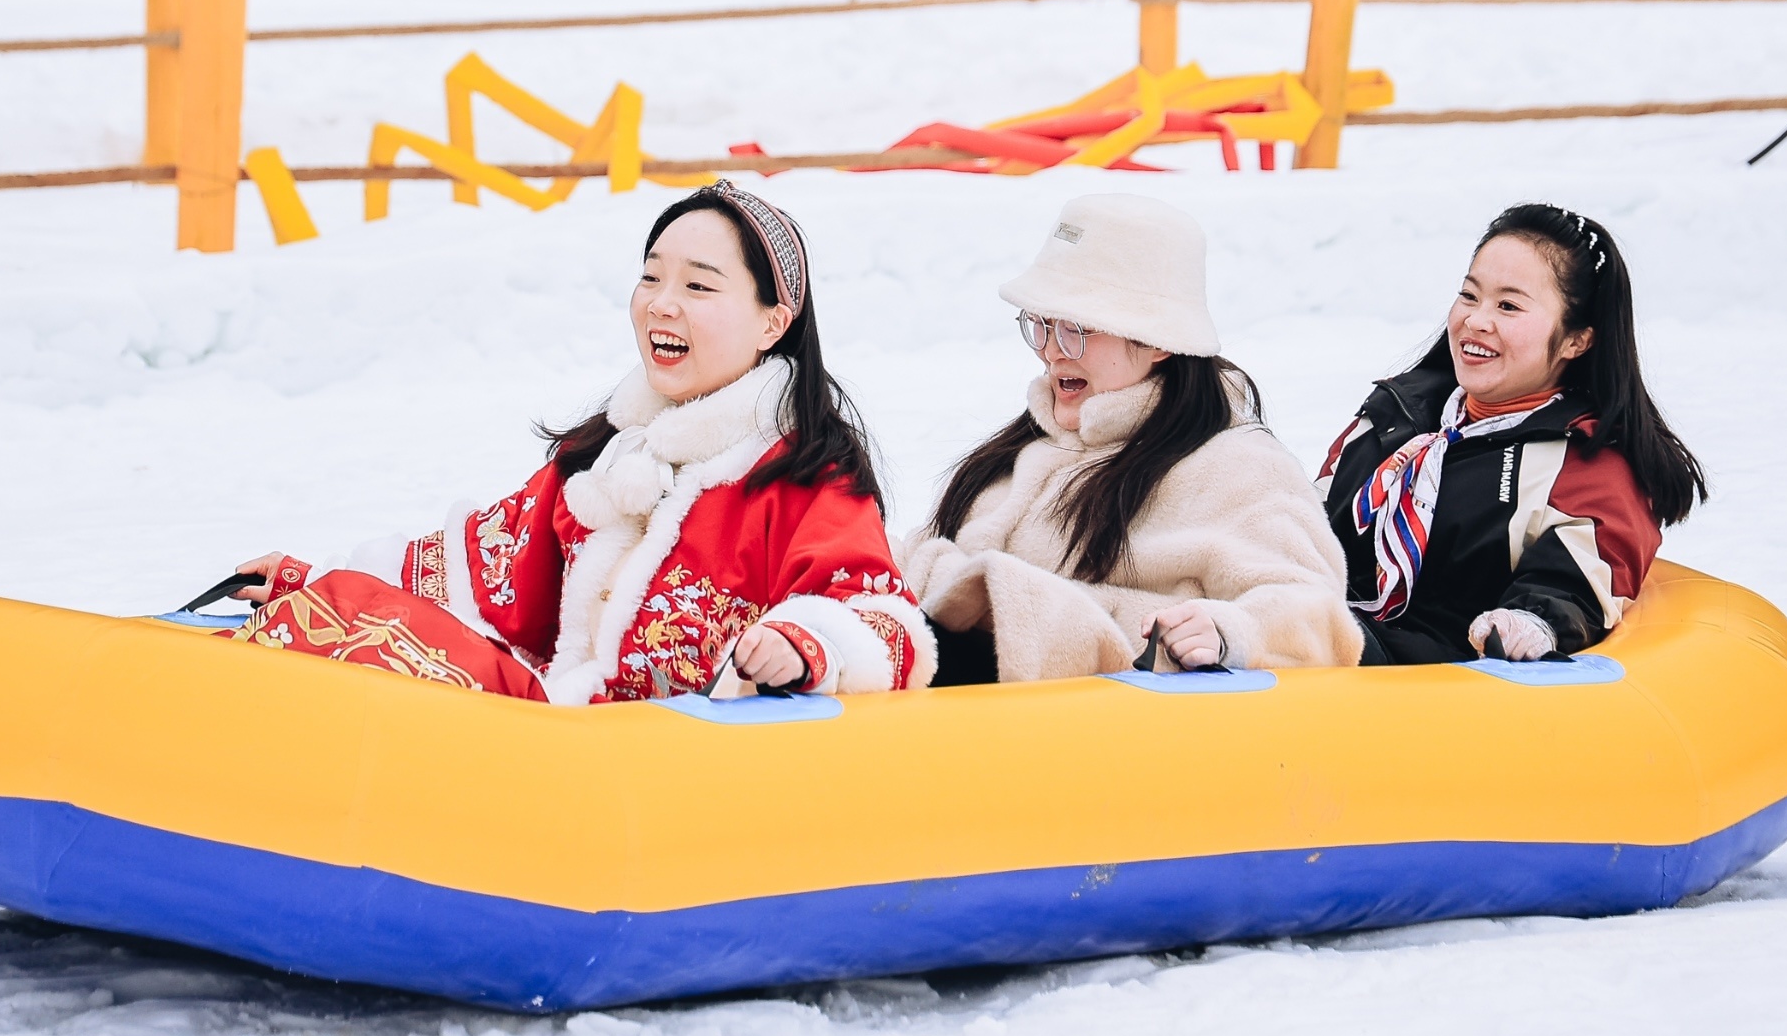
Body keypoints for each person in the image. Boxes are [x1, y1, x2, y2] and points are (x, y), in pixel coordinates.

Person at [185, 182, 936, 703]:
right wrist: (311, 582)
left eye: (699, 287)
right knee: (350, 612)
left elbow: (883, 621)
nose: (661, 304)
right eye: (650, 277)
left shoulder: (807, 477)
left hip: (675, 769)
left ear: (774, 322)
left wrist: (806, 645)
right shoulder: (611, 455)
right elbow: (481, 565)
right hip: (562, 736)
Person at [900, 189, 1358, 684]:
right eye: (1041, 324)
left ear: (1158, 342)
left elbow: (1316, 613)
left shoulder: (1240, 468)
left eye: (1076, 328)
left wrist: (1229, 631)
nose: (1052, 351)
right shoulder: (1029, 449)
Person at [1316, 203, 1707, 664]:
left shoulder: (1586, 461)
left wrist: (1531, 620)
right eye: (1469, 295)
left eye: (1508, 305)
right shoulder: (1395, 411)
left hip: (1425, 682)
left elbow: (1576, 575)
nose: (1477, 320)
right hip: (1313, 627)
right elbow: (1305, 520)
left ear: (1575, 339)